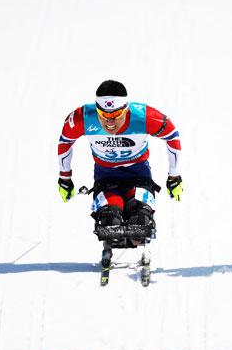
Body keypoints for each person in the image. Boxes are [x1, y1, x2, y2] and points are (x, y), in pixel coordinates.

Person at [57, 79, 183, 246]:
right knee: (110, 222)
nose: (110, 122)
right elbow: (65, 141)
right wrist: (64, 178)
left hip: (139, 174)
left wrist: (174, 177)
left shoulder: (144, 117)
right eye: (103, 115)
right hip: (106, 177)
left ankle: (138, 224)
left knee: (140, 220)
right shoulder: (83, 118)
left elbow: (172, 136)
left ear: (126, 109)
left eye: (116, 115)